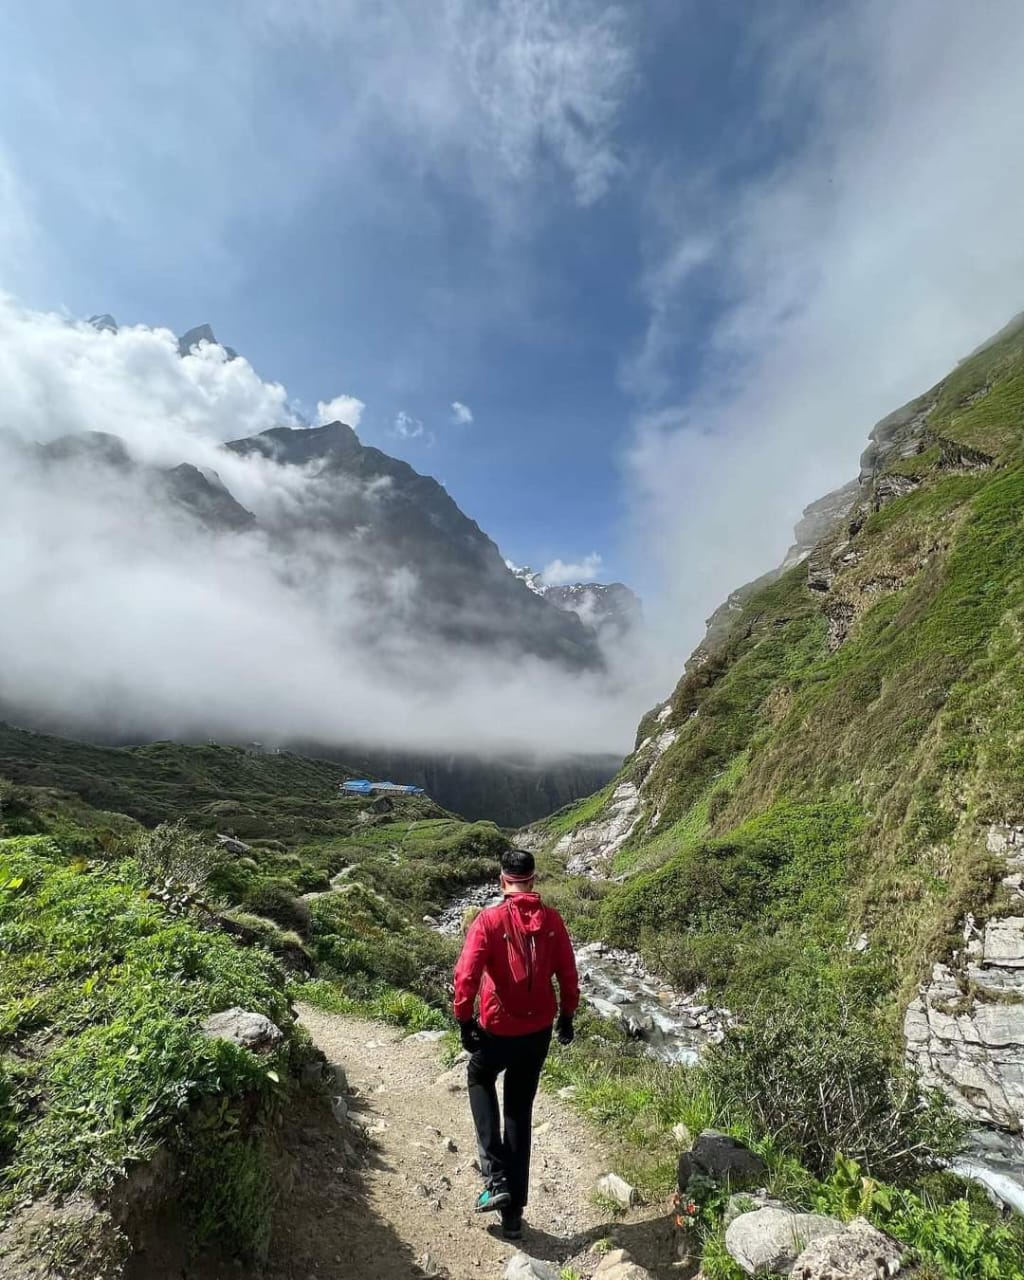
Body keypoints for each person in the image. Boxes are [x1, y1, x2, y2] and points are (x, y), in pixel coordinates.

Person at [452, 847, 580, 1242]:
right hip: (537, 1030)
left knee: (478, 1076)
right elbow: (569, 975)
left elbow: (466, 975)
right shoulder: (554, 921)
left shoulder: (489, 921)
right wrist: (567, 1017)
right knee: (519, 1112)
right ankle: (513, 1216)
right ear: (533, 879)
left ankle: (495, 1176)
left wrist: (464, 1020)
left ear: (501, 880)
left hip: (496, 1028)